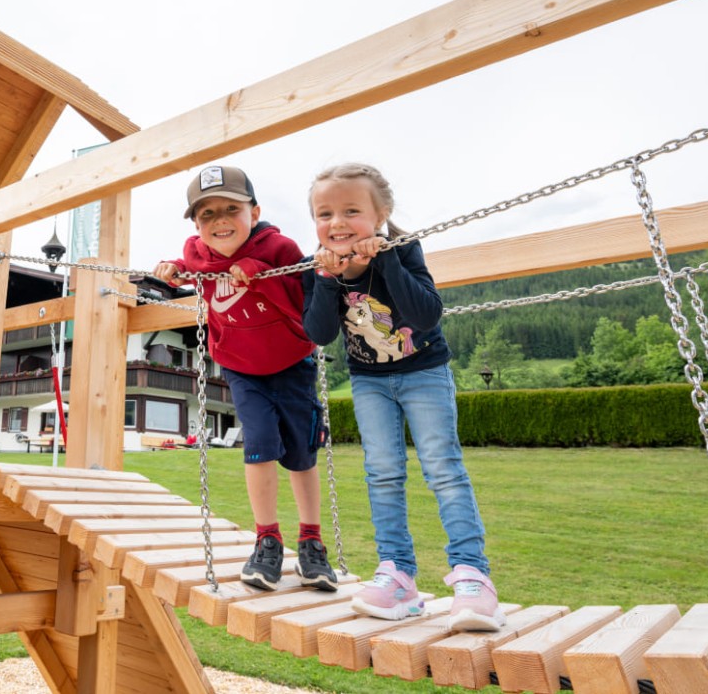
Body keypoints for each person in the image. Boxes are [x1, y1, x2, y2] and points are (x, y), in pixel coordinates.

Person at [302, 162, 504, 632]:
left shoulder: (404, 248)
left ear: (382, 213)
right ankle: (398, 575)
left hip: (423, 372)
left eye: (351, 211)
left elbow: (427, 314)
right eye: (323, 213)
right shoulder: (320, 266)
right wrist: (329, 281)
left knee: (442, 468)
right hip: (369, 381)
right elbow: (319, 331)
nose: (336, 223)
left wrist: (386, 259)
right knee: (383, 472)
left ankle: (473, 576)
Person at [153, 164, 337, 592]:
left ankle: (311, 543)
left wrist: (256, 271)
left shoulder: (281, 249)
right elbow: (189, 267)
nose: (219, 221)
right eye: (206, 214)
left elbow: (301, 301)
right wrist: (173, 269)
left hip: (292, 363)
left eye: (230, 209)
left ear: (254, 213)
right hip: (242, 368)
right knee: (258, 446)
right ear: (197, 224)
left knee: (302, 452)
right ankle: (267, 539)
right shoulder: (198, 256)